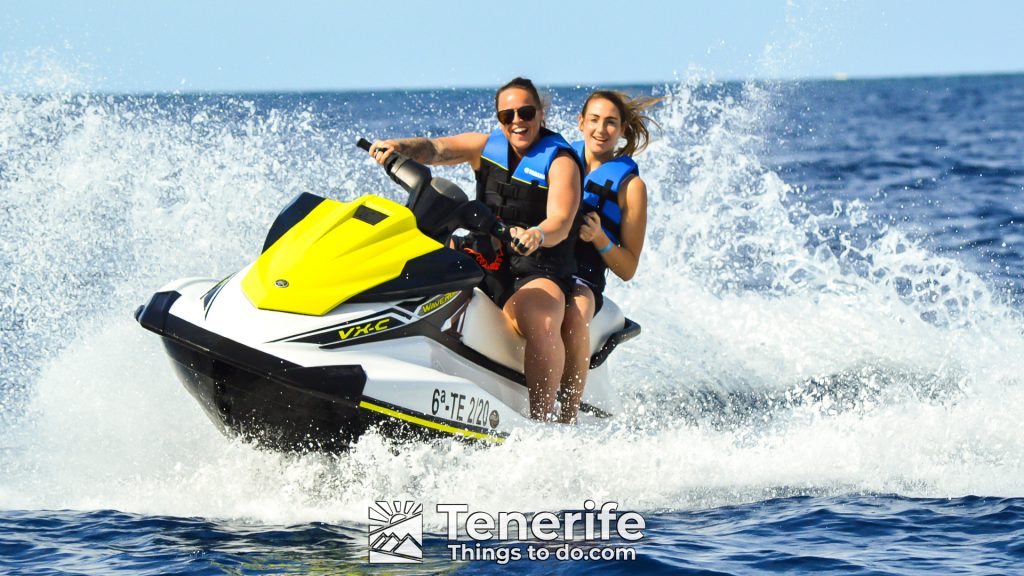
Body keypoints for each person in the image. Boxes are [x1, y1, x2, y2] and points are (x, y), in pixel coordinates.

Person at [368, 77, 582, 421]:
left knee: (540, 322)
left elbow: (560, 219)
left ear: (540, 113)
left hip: (537, 267)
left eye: (526, 112)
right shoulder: (485, 147)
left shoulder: (561, 162)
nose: (517, 121)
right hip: (486, 256)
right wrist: (398, 147)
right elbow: (435, 150)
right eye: (507, 115)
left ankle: (542, 422)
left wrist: (537, 235)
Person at [558, 90, 661, 424]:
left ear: (622, 130)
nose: (601, 130)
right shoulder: (559, 162)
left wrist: (600, 238)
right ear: (581, 123)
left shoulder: (631, 187)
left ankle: (566, 419)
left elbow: (628, 268)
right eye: (594, 120)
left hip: (583, 276)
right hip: (542, 262)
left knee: (575, 315)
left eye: (611, 123)